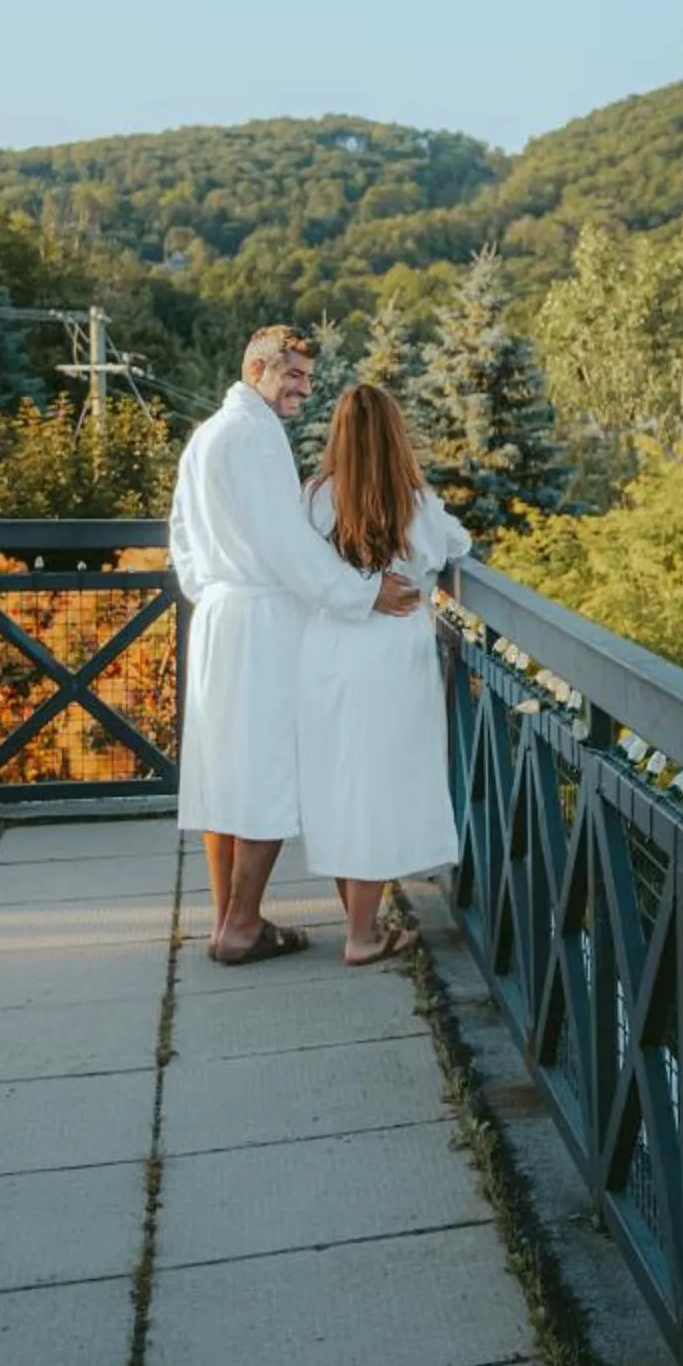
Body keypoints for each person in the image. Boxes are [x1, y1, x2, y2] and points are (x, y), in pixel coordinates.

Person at [169, 326, 422, 966]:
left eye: (308, 379)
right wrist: (362, 593)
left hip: (218, 617)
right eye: (294, 376)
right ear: (257, 369)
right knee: (269, 770)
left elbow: (181, 538)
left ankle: (228, 920)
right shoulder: (256, 437)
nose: (304, 391)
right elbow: (286, 543)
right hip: (260, 619)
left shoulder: (206, 435)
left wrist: (214, 592)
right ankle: (241, 926)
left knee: (226, 772)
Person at [295, 384, 470, 965]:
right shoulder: (413, 501)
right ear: (396, 435)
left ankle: (361, 919)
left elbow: (300, 568)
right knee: (376, 785)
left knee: (340, 780)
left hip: (326, 652)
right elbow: (456, 545)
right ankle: (362, 935)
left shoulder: (315, 498)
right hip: (391, 656)